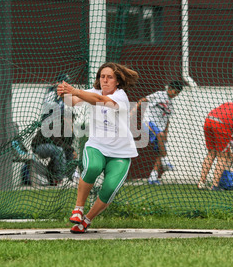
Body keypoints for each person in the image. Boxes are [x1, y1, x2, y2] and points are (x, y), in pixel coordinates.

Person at [57, 62, 139, 233]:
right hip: (97, 145)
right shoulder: (93, 91)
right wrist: (64, 94)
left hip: (121, 152)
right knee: (93, 167)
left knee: (109, 189)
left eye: (110, 77)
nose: (105, 80)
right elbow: (74, 102)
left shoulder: (121, 96)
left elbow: (101, 101)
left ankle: (86, 220)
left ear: (117, 81)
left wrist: (75, 91)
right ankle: (78, 210)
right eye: (102, 77)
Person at [131, 80, 183, 185]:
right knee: (160, 136)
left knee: (160, 151)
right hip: (148, 122)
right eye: (175, 92)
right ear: (169, 89)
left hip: (159, 128)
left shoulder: (171, 105)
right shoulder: (159, 94)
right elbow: (143, 100)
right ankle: (165, 161)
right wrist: (133, 111)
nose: (175, 95)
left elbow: (168, 120)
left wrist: (166, 134)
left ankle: (153, 178)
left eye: (178, 93)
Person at [197, 102, 233, 190]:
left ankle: (201, 182)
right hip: (221, 126)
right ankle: (215, 185)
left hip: (208, 121)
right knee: (222, 157)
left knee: (211, 153)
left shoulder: (231, 105)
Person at [31, 81, 76, 185]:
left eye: (72, 119)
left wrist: (71, 135)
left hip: (54, 148)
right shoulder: (56, 122)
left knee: (70, 154)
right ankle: (60, 179)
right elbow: (55, 140)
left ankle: (69, 178)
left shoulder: (69, 128)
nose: (70, 121)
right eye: (68, 118)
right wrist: (70, 148)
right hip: (40, 146)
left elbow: (68, 145)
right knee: (59, 151)